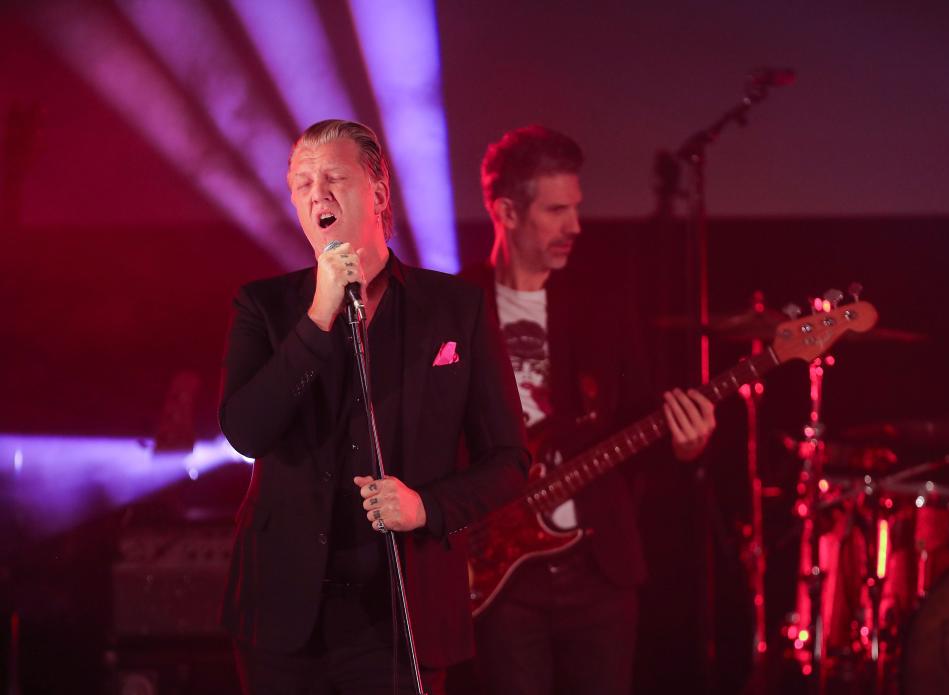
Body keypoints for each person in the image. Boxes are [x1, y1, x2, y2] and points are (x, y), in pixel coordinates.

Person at [218, 119, 529, 695]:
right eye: (302, 183)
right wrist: (318, 317)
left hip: (399, 613)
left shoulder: (453, 309)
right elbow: (246, 431)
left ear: (380, 193)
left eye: (334, 178)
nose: (318, 194)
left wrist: (426, 507)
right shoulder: (265, 306)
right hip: (284, 617)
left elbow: (509, 460)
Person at [458, 125, 717, 695]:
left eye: (576, 207)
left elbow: (637, 427)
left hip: (600, 571)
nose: (575, 226)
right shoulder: (453, 310)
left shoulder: (604, 304)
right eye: (556, 211)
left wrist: (684, 447)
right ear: (506, 211)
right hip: (501, 578)